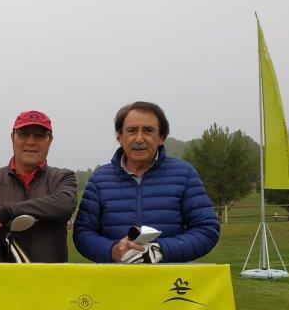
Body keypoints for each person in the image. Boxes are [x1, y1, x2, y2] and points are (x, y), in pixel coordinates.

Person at [73, 101, 219, 263]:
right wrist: (113, 250)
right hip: (114, 280)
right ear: (119, 137)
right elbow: (83, 234)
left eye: (148, 131)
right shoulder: (99, 179)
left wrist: (159, 250)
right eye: (131, 130)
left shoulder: (184, 174)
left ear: (161, 137)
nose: (139, 138)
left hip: (168, 281)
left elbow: (206, 230)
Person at [0, 110, 77, 263]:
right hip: (4, 281)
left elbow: (66, 204)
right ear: (13, 138)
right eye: (24, 134)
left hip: (51, 280)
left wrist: (8, 212)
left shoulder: (62, 177)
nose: (31, 141)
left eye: (39, 135)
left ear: (50, 141)